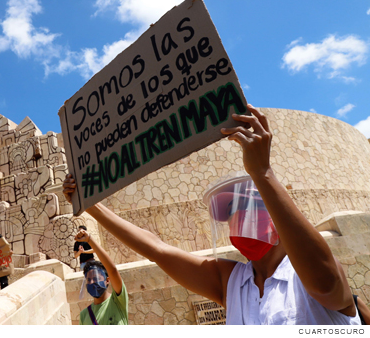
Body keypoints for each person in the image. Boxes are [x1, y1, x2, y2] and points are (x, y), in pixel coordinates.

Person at [63, 105, 361, 325]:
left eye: (245, 208)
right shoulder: (230, 281)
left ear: (277, 215)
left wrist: (262, 173)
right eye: (229, 213)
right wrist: (91, 206)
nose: (237, 219)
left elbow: (324, 282)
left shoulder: (306, 276)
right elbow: (157, 248)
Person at [74, 228, 128, 325]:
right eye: (89, 280)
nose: (91, 282)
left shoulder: (118, 301)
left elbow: (113, 270)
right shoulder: (84, 315)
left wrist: (89, 239)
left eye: (95, 278)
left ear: (107, 280)